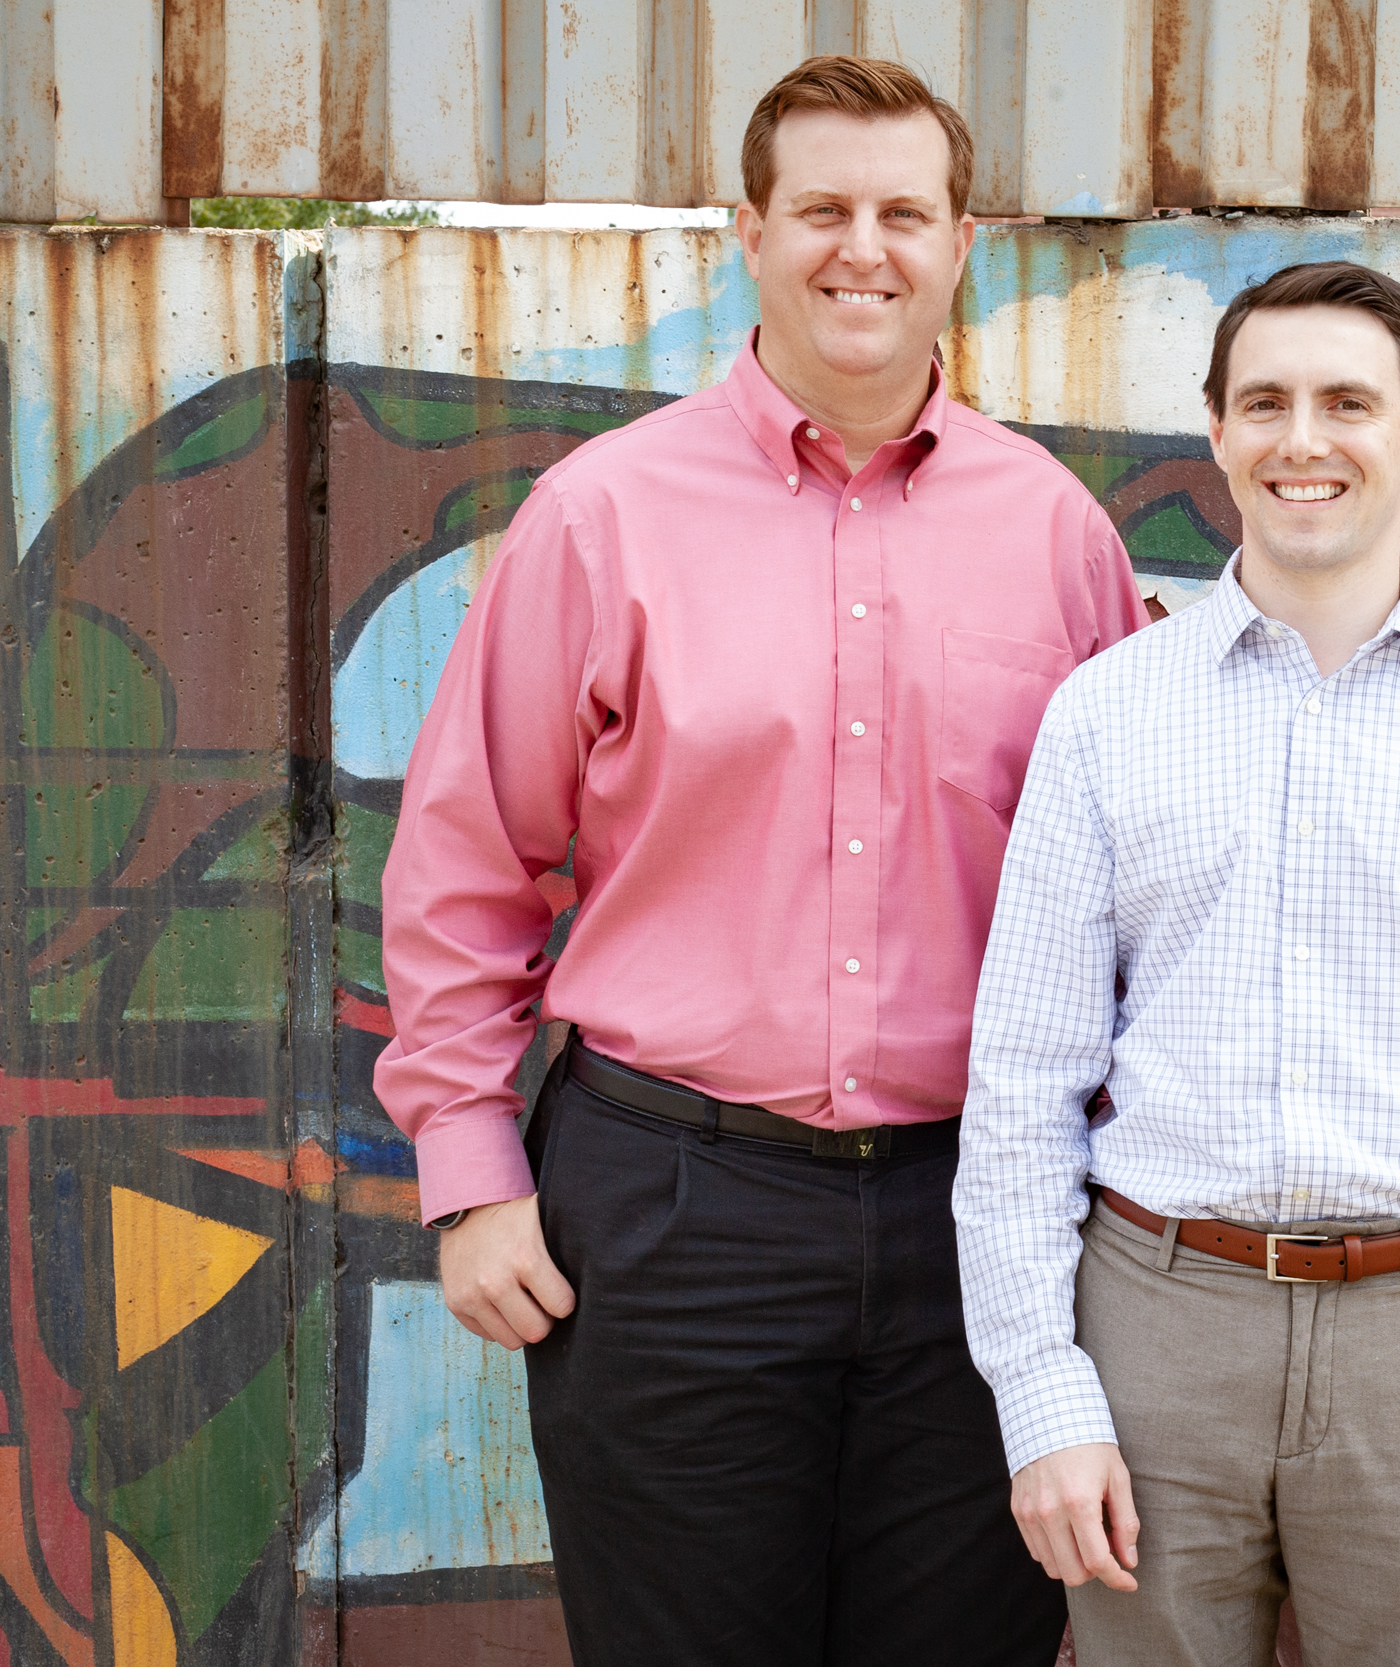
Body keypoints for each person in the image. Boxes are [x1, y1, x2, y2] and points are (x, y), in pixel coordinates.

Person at [374, 55, 1148, 1667]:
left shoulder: (1058, 533)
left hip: (980, 1221)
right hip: (669, 1211)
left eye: (901, 213)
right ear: (749, 230)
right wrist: (468, 1177)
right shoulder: (604, 517)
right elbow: (468, 863)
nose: (860, 249)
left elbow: (1130, 890)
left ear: (960, 241)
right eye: (821, 210)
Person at [953, 261, 1400, 1667]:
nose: (1305, 440)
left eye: (1350, 402)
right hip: (1158, 1322)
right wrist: (1042, 1394)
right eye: (1265, 403)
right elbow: (1024, 1083)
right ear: (1215, 432)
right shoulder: (1105, 717)